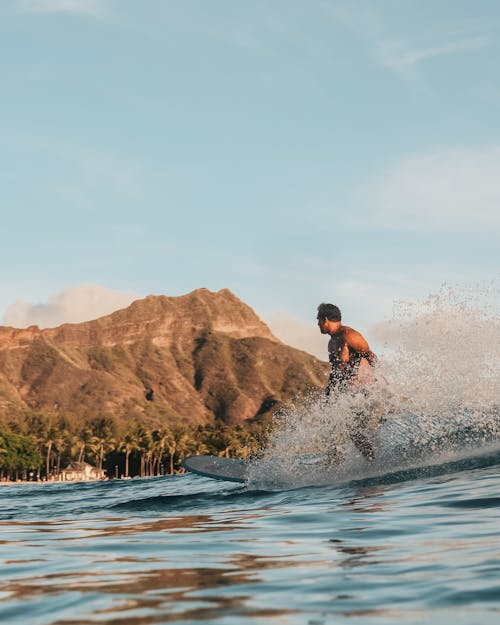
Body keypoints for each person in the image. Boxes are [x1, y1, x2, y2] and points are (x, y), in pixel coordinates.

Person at [317, 302, 378, 460]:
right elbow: (336, 372)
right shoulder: (331, 344)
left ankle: (373, 460)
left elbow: (371, 356)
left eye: (318, 320)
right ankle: (362, 461)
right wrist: (328, 396)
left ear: (325, 319)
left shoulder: (349, 335)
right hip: (351, 393)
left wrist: (379, 387)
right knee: (338, 426)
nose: (317, 324)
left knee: (353, 429)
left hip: (367, 391)